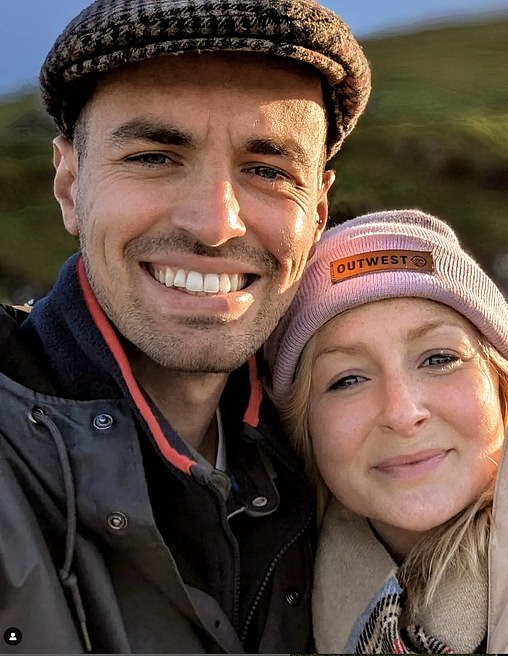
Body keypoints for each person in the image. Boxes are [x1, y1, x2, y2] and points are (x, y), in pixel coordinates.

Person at [0, 0, 370, 652]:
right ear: (68, 185)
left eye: (267, 170)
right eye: (154, 157)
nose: (215, 223)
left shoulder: (358, 456)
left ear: (317, 213)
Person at [264, 209, 508, 654]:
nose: (402, 413)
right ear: (305, 429)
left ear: (501, 385)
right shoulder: (264, 610)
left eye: (439, 359)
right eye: (347, 379)